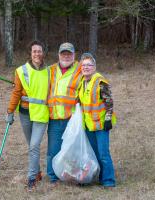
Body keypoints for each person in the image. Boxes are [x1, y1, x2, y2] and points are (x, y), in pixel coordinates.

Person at [5, 40, 49, 191]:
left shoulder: (49, 71)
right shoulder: (21, 71)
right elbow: (16, 92)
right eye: (34, 51)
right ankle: (37, 173)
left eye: (39, 51)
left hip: (41, 114)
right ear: (30, 53)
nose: (37, 53)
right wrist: (10, 112)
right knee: (31, 146)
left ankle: (31, 179)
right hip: (25, 113)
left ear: (43, 53)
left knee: (34, 146)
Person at [78, 52, 116, 188]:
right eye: (84, 65)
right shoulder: (82, 83)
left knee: (103, 153)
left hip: (101, 125)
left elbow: (109, 102)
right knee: (94, 154)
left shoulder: (100, 82)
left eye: (89, 65)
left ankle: (109, 181)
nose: (86, 67)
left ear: (94, 67)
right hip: (89, 126)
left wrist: (108, 119)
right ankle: (99, 177)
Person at [46, 42, 82, 183]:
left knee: (73, 150)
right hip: (54, 118)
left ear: (74, 55)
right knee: (53, 151)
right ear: (59, 55)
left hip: (72, 119)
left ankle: (74, 175)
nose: (66, 56)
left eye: (69, 54)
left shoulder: (81, 69)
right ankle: (53, 177)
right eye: (63, 53)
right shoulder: (50, 70)